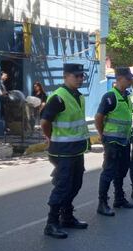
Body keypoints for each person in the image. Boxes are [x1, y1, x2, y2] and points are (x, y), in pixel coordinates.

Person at [39, 63, 90, 239]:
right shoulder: (58, 97)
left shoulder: (79, 97)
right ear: (66, 76)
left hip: (76, 149)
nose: (80, 79)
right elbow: (45, 123)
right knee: (63, 186)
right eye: (76, 76)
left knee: (76, 184)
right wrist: (50, 138)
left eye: (81, 76)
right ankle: (51, 223)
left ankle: (67, 216)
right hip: (62, 150)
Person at [94, 67, 133, 216]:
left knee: (123, 169)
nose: (131, 81)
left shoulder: (127, 96)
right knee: (109, 171)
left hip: (124, 140)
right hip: (112, 141)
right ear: (119, 79)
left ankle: (119, 198)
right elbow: (98, 117)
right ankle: (102, 203)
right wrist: (102, 135)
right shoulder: (110, 97)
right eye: (128, 78)